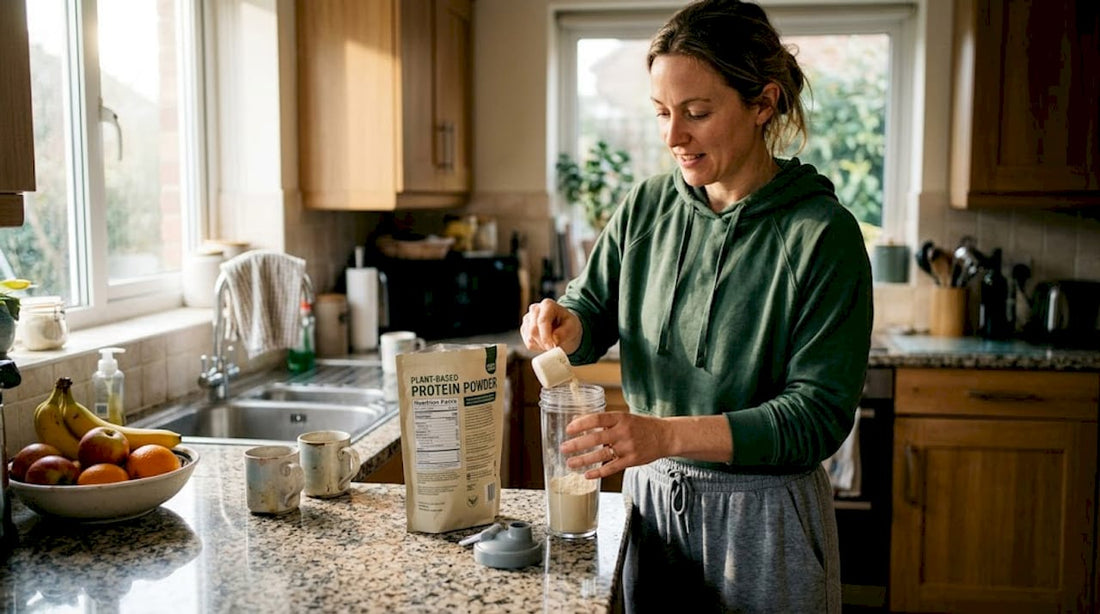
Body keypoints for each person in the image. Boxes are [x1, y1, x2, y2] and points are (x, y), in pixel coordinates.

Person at [520, 0, 873, 611]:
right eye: (662, 113)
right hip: (652, 507)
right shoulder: (646, 207)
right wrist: (565, 323)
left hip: (767, 519)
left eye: (697, 113)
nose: (673, 136)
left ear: (762, 104)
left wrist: (662, 434)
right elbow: (594, 307)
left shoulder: (823, 234)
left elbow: (817, 416)